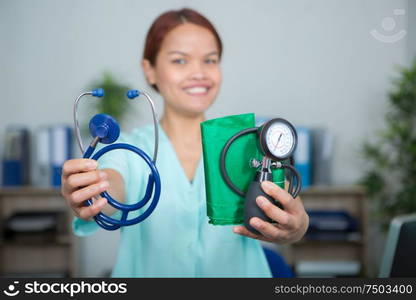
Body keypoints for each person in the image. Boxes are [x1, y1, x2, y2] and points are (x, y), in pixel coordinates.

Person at [61, 8, 309, 277]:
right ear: (150, 70)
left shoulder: (249, 144)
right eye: (180, 61)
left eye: (210, 60)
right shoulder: (127, 150)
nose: (199, 73)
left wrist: (298, 225)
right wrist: (94, 192)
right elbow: (111, 186)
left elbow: (285, 207)